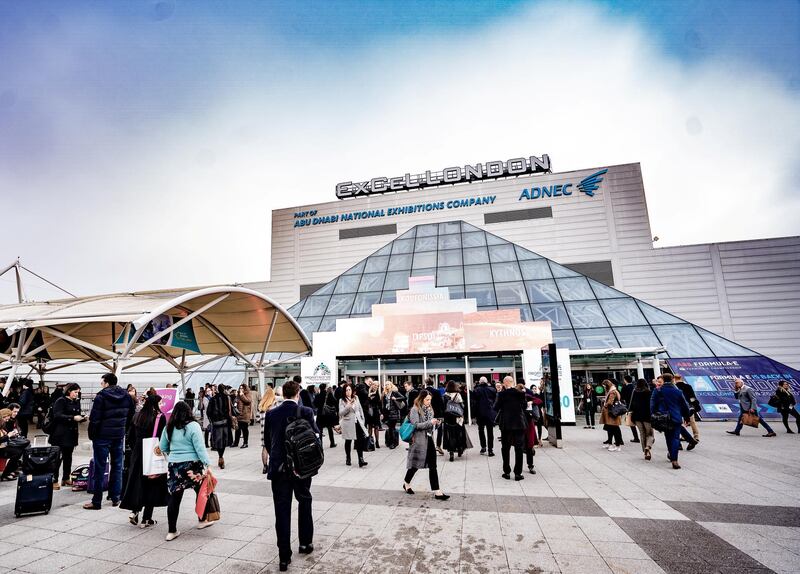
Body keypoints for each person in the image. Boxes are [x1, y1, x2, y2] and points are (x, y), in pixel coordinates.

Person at [263, 379, 318, 571]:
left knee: (282, 510)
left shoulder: (271, 414)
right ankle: (305, 543)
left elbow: (269, 444)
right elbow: (314, 438)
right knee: (304, 501)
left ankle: (284, 557)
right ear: (298, 394)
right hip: (301, 469)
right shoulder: (306, 412)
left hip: (279, 469)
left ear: (283, 394)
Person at [158, 401, 214, 541]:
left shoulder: (169, 427)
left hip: (175, 466)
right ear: (189, 412)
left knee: (175, 498)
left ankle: (172, 531)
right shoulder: (194, 426)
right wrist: (207, 464)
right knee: (200, 492)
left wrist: (174, 454)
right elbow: (200, 448)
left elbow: (162, 447)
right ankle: (202, 520)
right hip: (193, 466)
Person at [84, 373, 135, 510]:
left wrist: (92, 435)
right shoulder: (126, 396)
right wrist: (123, 429)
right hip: (118, 436)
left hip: (102, 436)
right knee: (117, 466)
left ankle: (97, 501)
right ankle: (115, 497)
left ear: (106, 383)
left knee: (100, 468)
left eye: (102, 382)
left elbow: (95, 419)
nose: (101, 385)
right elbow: (131, 414)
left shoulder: (101, 397)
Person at [121, 394, 169, 528]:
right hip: (152, 454)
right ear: (155, 404)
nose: (161, 406)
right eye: (160, 403)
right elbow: (163, 438)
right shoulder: (160, 417)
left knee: (137, 483)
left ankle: (134, 511)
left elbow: (130, 436)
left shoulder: (137, 415)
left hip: (137, 453)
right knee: (152, 485)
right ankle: (146, 519)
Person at [403, 390, 449, 500]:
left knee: (433, 465)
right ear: (421, 399)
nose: (429, 402)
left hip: (429, 439)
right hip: (418, 441)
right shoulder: (415, 409)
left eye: (430, 400)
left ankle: (437, 491)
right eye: (427, 399)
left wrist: (436, 424)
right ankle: (406, 482)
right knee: (415, 465)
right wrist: (430, 423)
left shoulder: (430, 409)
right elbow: (416, 425)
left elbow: (430, 426)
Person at [650, 373, 692, 469]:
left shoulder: (657, 390)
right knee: (675, 438)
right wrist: (687, 417)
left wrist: (653, 415)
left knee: (668, 437)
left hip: (663, 418)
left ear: (663, 380)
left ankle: (671, 454)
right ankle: (674, 459)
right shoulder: (678, 392)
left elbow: (652, 405)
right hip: (676, 418)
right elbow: (684, 406)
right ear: (672, 379)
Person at [48, 383, 85, 489]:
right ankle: (54, 479)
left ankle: (66, 478)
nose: (77, 394)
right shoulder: (61, 400)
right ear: (69, 391)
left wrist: (82, 418)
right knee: (57, 458)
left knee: (68, 457)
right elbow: (57, 415)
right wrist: (73, 418)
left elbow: (77, 413)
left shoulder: (76, 401)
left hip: (71, 434)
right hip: (60, 434)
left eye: (78, 392)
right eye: (75, 392)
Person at [494, 376, 527, 480]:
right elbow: (524, 406)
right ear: (513, 382)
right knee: (519, 448)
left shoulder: (502, 394)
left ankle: (507, 472)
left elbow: (495, 407)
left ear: (504, 383)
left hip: (506, 425)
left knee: (505, 448)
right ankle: (518, 473)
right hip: (519, 424)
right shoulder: (521, 393)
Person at [338, 382, 368, 467]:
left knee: (359, 441)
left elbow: (360, 409)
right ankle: (348, 458)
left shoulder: (356, 397)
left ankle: (361, 459)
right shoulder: (342, 400)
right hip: (348, 423)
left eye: (349, 390)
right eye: (346, 390)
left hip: (358, 422)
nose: (348, 392)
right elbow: (341, 413)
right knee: (348, 441)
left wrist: (362, 419)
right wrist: (348, 406)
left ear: (352, 390)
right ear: (344, 391)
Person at [442, 380, 470, 461]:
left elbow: (443, 407)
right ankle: (460, 449)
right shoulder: (458, 395)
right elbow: (462, 406)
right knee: (459, 433)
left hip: (448, 417)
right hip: (457, 417)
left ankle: (451, 453)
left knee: (450, 435)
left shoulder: (444, 395)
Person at [207, 383, 233, 468]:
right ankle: (221, 456)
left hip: (216, 423)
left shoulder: (213, 399)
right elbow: (230, 410)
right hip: (225, 422)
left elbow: (208, 412)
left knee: (218, 441)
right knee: (224, 441)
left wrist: (212, 420)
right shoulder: (227, 398)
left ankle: (220, 456)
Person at [629, 379, 654, 461]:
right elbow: (651, 405)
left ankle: (645, 452)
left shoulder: (634, 391)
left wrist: (630, 412)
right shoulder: (648, 392)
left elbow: (631, 403)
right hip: (647, 416)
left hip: (637, 416)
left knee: (642, 434)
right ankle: (648, 446)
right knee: (650, 433)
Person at [472, 376, 497, 456]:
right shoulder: (492, 390)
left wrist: (474, 415)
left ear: (480, 382)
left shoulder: (476, 390)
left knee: (481, 430)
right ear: (487, 382)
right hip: (490, 413)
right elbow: (495, 401)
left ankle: (483, 447)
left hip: (480, 413)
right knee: (490, 432)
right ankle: (490, 450)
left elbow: (474, 404)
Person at [0, 408, 25, 481]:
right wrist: (8, 436)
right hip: (1, 447)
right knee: (17, 452)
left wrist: (11, 434)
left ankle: (10, 471)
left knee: (20, 449)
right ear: (2, 417)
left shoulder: (2, 424)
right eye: (6, 419)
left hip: (3, 445)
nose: (7, 421)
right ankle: (6, 473)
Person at [674, 374, 701, 442]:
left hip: (678, 406)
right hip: (689, 406)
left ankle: (683, 436)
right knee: (692, 421)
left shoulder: (675, 387)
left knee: (681, 422)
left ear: (674, 379)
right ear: (681, 378)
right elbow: (692, 396)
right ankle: (696, 436)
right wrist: (694, 404)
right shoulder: (688, 386)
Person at [600, 379, 624, 452]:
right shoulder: (612, 390)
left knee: (614, 429)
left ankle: (617, 445)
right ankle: (611, 443)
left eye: (604, 386)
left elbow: (610, 402)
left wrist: (605, 404)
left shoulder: (612, 392)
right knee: (610, 428)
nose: (604, 388)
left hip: (612, 413)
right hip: (611, 413)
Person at [424, 377, 446, 455]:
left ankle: (430, 446)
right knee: (439, 430)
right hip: (437, 414)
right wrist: (443, 413)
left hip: (426, 413)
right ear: (433, 383)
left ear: (426, 383)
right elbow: (441, 403)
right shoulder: (437, 391)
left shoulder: (423, 391)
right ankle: (438, 445)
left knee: (429, 429)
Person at [259, 386, 277, 474]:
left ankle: (265, 467)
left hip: (263, 430)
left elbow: (258, 419)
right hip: (273, 430)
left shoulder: (261, 406)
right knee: (273, 447)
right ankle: (272, 465)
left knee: (264, 448)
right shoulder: (274, 406)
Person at [313, 383, 338, 449]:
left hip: (320, 414)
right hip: (327, 414)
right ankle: (332, 443)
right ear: (325, 388)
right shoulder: (329, 394)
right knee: (330, 429)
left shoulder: (317, 395)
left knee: (320, 430)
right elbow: (335, 402)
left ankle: (320, 444)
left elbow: (315, 404)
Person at [381, 381, 405, 450]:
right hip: (387, 413)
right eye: (385, 385)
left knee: (392, 428)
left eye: (388, 384)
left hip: (394, 413)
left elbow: (403, 398)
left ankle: (392, 443)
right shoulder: (385, 393)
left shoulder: (394, 392)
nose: (386, 386)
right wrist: (382, 413)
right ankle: (392, 442)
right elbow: (383, 404)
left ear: (391, 385)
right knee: (391, 428)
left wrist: (396, 398)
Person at [522, 384, 539, 474]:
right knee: (520, 446)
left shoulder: (528, 397)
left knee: (529, 446)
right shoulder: (516, 399)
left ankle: (530, 465)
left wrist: (532, 402)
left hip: (528, 424)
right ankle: (522, 466)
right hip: (520, 425)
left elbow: (539, 400)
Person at [620, 375, 640, 443]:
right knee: (639, 422)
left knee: (631, 422)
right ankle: (644, 435)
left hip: (629, 406)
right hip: (637, 406)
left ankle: (636, 437)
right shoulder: (635, 387)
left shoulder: (625, 387)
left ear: (625, 380)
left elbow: (622, 397)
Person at [234, 384, 252, 449]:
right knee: (237, 429)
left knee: (244, 429)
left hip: (245, 415)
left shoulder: (247, 394)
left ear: (245, 389)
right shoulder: (238, 395)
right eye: (240, 388)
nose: (241, 389)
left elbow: (248, 401)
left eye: (242, 388)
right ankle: (236, 442)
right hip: (239, 414)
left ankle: (245, 443)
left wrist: (242, 395)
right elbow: (235, 402)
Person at [366, 379, 382, 449]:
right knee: (369, 427)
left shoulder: (378, 393)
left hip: (375, 412)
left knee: (376, 427)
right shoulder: (368, 391)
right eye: (374, 385)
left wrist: (381, 413)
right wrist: (369, 395)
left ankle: (377, 442)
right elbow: (367, 401)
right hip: (369, 411)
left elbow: (379, 403)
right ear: (372, 385)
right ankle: (370, 441)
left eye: (377, 385)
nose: (376, 386)